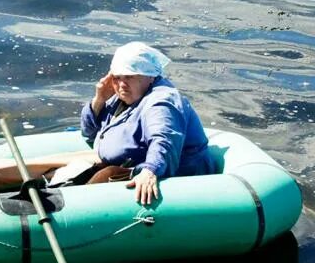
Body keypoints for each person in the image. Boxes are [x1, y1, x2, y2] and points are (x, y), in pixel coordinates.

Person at [81, 41, 216, 205]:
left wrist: (150, 170)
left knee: (106, 174)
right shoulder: (121, 98)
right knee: (59, 170)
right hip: (128, 162)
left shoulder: (162, 101)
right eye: (117, 77)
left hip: (180, 177)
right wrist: (99, 99)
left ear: (150, 77)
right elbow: (90, 136)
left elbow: (164, 138)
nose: (122, 84)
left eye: (130, 76)